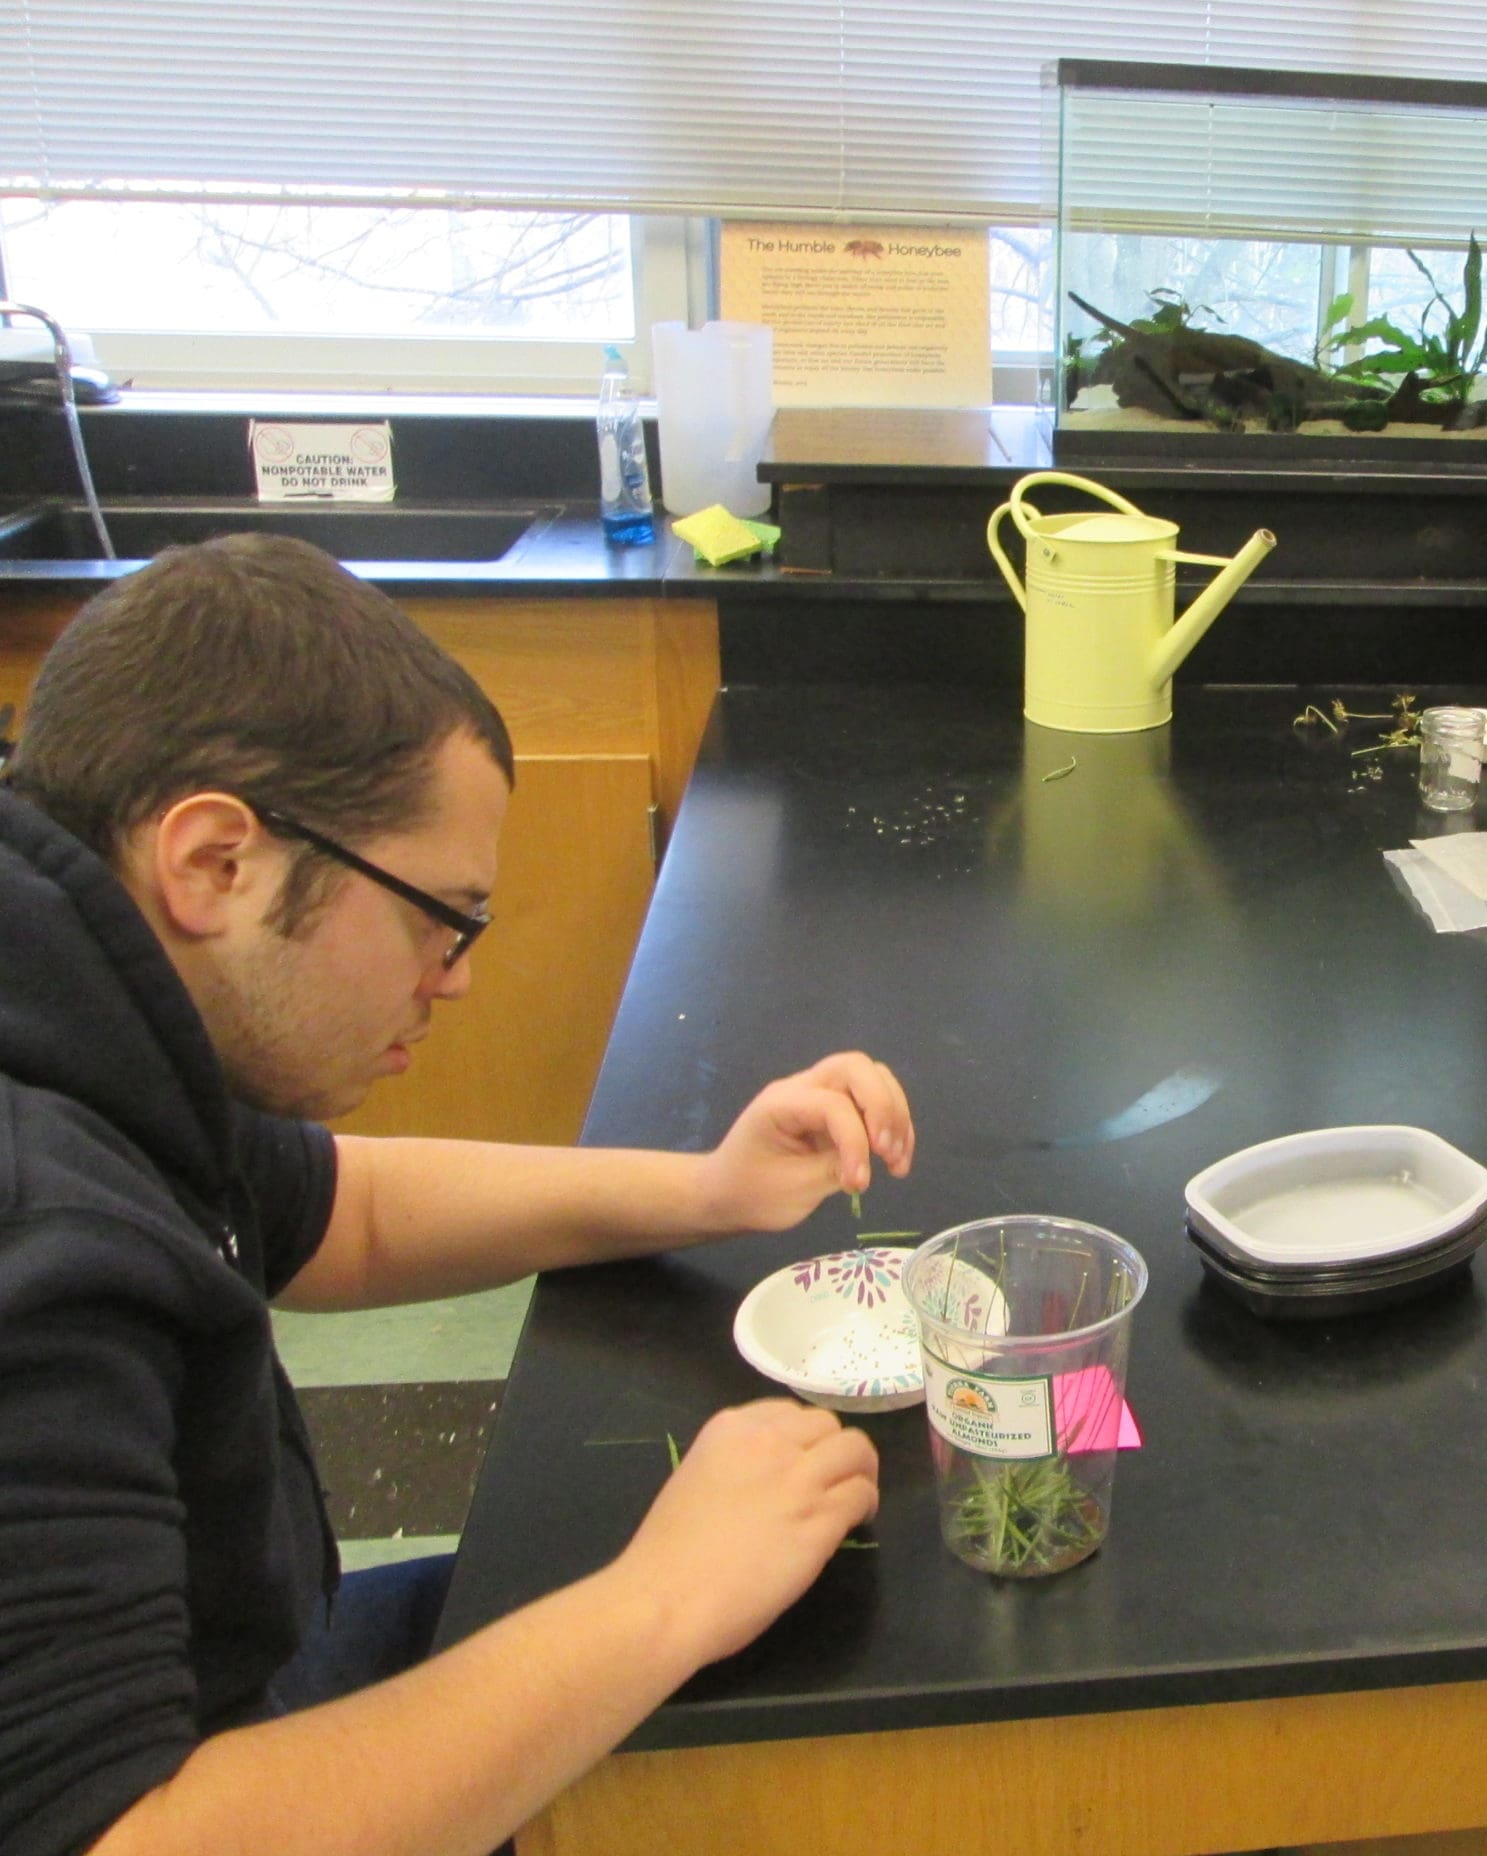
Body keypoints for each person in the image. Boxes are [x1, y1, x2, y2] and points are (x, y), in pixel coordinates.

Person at [0, 536, 915, 1856]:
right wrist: (665, 1598)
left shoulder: (89, 1004)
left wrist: (710, 1189)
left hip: (238, 1683)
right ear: (213, 863)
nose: (458, 977)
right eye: (441, 917)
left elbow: (341, 1213)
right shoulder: (38, 1240)